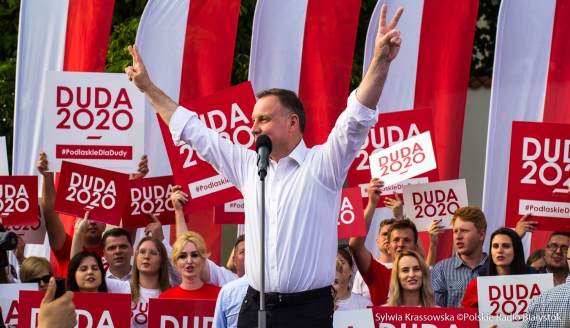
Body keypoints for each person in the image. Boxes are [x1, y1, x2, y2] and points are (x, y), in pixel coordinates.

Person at [126, 4, 403, 325]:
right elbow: (193, 131)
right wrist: (148, 87)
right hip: (255, 305)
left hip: (308, 310)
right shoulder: (248, 166)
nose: (254, 127)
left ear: (293, 123)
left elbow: (355, 117)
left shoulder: (323, 165)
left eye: (264, 119)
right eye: (253, 120)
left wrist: (380, 62)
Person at [36, 152, 148, 277]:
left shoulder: (114, 248)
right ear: (75, 224)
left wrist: (136, 181)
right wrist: (47, 177)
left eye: (97, 217)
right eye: (86, 217)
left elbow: (130, 220)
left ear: (105, 226)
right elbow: (50, 216)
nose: (92, 221)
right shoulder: (65, 247)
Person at [350, 178, 420, 306]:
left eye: (407, 240)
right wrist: (372, 203)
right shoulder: (379, 274)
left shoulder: (423, 274)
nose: (401, 244)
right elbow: (355, 245)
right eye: (396, 240)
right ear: (388, 247)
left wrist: (400, 218)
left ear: (416, 248)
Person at [171, 185, 243, 285]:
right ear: (234, 260)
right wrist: (178, 211)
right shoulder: (231, 282)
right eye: (242, 251)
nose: (247, 256)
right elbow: (186, 246)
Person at [461, 228, 537, 308]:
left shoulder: (533, 286)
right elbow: (463, 318)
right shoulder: (476, 285)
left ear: (516, 250)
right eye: (495, 246)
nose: (499, 250)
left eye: (506, 246)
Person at [106, 236, 171, 328]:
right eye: (142, 252)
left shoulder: (170, 294)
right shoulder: (122, 288)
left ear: (162, 261)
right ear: (136, 258)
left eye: (153, 253)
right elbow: (82, 275)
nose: (146, 256)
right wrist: (79, 234)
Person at [430, 206, 488, 307]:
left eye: (464, 231)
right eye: (455, 231)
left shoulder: (498, 267)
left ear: (482, 235)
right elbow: (436, 314)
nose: (458, 236)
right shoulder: (441, 269)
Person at [159, 231, 221, 299]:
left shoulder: (220, 295)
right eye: (183, 256)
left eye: (194, 255)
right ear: (176, 262)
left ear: (203, 260)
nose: (189, 261)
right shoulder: (165, 298)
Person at [335, 246, 372, 311]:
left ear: (351, 269)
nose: (337, 267)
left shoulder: (364, 305)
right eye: (333, 263)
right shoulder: (318, 303)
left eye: (341, 262)